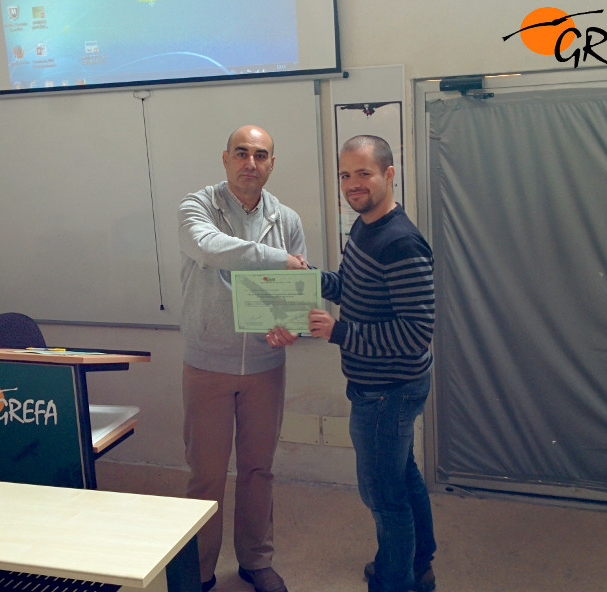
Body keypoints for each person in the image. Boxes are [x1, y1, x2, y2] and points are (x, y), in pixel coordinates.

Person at [301, 135, 436, 592]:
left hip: (387, 391)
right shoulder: (363, 227)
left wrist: (340, 332)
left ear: (389, 174)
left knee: (383, 495)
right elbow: (351, 287)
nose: (352, 184)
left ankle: (395, 581)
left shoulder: (401, 243)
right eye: (345, 175)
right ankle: (418, 564)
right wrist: (311, 279)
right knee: (402, 476)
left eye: (364, 173)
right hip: (381, 387)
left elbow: (416, 333)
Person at [177, 125, 307, 592]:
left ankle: (255, 560)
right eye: (241, 153)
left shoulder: (286, 219)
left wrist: (291, 325)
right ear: (226, 158)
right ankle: (199, 570)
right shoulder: (197, 206)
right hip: (207, 363)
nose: (250, 162)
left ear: (271, 163)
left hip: (265, 369)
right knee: (206, 475)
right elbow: (207, 248)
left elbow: (296, 289)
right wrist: (276, 259)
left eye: (261, 155)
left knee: (258, 470)